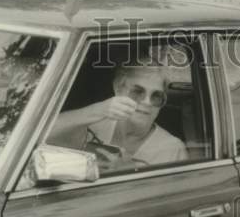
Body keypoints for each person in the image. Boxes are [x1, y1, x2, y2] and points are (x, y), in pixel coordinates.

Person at [47, 58, 188, 168]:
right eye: (137, 92)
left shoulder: (172, 148)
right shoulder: (94, 124)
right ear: (118, 89)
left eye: (156, 96)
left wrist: (131, 171)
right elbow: (38, 135)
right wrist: (95, 110)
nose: (147, 102)